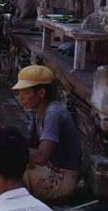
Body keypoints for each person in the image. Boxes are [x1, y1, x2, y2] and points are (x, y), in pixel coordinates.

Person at [12, 65, 81, 202]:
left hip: (62, 180)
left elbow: (42, 157)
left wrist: (10, 149)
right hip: (51, 170)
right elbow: (30, 144)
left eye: (25, 93)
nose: (21, 98)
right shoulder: (37, 112)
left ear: (41, 93)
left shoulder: (53, 113)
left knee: (8, 168)